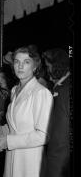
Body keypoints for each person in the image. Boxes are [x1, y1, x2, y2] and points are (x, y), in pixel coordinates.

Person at [0, 45, 53, 177]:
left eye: (26, 62)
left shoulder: (41, 93)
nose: (20, 66)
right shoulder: (14, 90)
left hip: (30, 162)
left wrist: (9, 141)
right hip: (11, 158)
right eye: (17, 62)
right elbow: (14, 125)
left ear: (35, 66)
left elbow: (43, 135)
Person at [41, 48, 71, 177]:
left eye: (48, 66)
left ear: (56, 66)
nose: (47, 71)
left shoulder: (65, 90)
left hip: (61, 157)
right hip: (56, 154)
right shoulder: (60, 87)